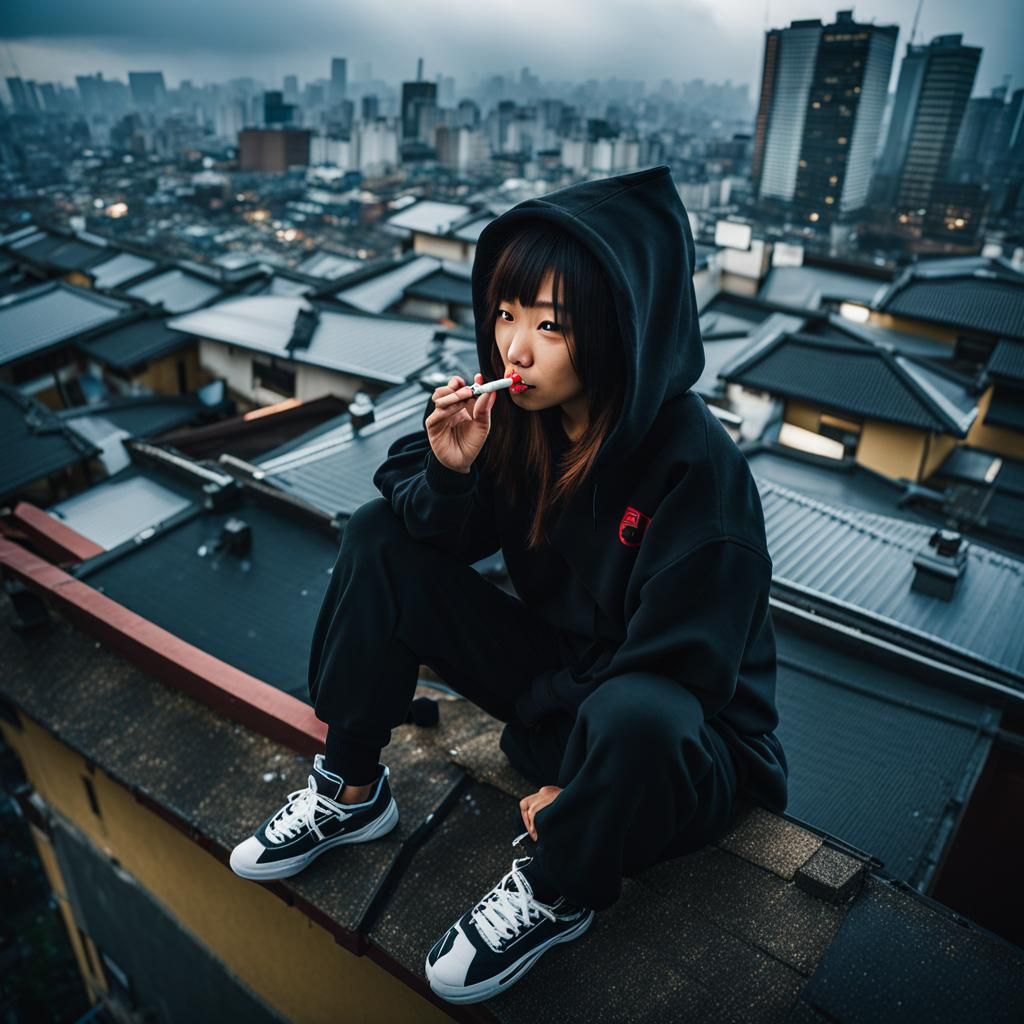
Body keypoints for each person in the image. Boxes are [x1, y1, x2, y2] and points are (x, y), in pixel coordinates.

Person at [230, 164, 788, 1006]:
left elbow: (683, 674)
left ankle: (559, 888)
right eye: (504, 313)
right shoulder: (524, 418)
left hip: (682, 751)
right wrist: (451, 472)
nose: (513, 349)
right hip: (568, 692)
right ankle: (350, 788)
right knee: (380, 533)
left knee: (638, 711)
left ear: (620, 326)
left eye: (549, 324)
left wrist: (579, 785)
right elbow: (426, 533)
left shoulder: (698, 474)